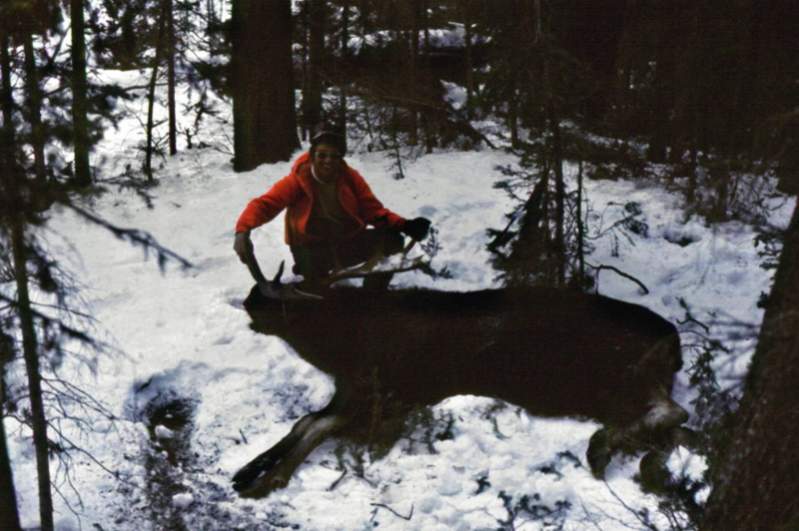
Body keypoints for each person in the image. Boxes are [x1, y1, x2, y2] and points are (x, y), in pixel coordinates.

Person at [233, 129, 431, 289]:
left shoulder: (351, 178)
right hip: (310, 248)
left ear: (341, 159)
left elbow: (373, 211)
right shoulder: (296, 181)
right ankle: (308, 272)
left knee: (393, 239)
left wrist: (405, 224)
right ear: (312, 156)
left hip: (345, 240)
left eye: (334, 156)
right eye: (322, 155)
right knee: (316, 289)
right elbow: (265, 204)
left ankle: (372, 296)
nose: (328, 160)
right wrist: (242, 231)